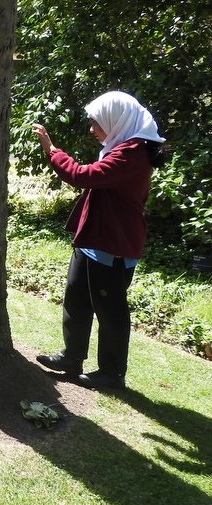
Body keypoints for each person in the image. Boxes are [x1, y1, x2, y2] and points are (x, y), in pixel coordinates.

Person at [32, 91, 166, 390]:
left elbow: (83, 176)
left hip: (113, 242)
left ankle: (111, 372)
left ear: (116, 120)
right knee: (77, 298)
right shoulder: (120, 146)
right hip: (94, 238)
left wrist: (52, 150)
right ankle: (71, 357)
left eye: (95, 122)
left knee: (110, 309)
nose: (91, 129)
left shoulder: (131, 154)